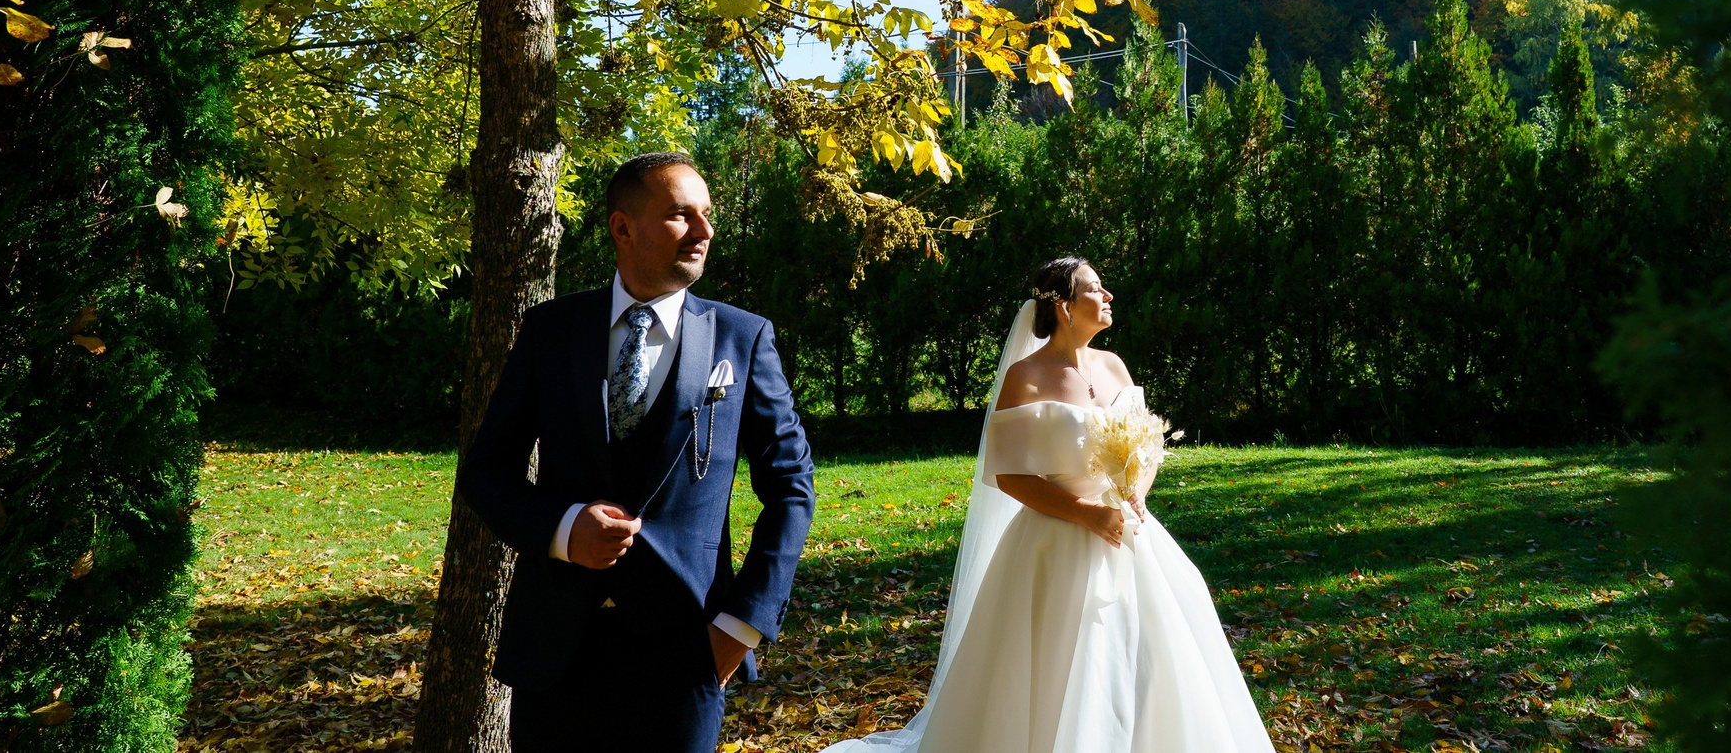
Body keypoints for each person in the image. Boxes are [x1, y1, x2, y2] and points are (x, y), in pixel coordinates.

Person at [821, 256, 1272, 753]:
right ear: (1063, 305)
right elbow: (1009, 474)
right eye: (1096, 289)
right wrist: (1085, 512)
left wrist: (1137, 492)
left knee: (1157, 646)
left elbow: (1146, 448)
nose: (1108, 297)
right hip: (1054, 538)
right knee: (1060, 658)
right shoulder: (1027, 377)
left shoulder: (1115, 366)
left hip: (1129, 530)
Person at [457, 151, 816, 753]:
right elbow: (487, 469)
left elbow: (791, 486)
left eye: (706, 215)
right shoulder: (551, 330)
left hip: (688, 647)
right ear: (622, 228)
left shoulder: (742, 337)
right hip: (556, 646)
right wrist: (565, 527)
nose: (703, 233)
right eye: (680, 216)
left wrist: (743, 626)